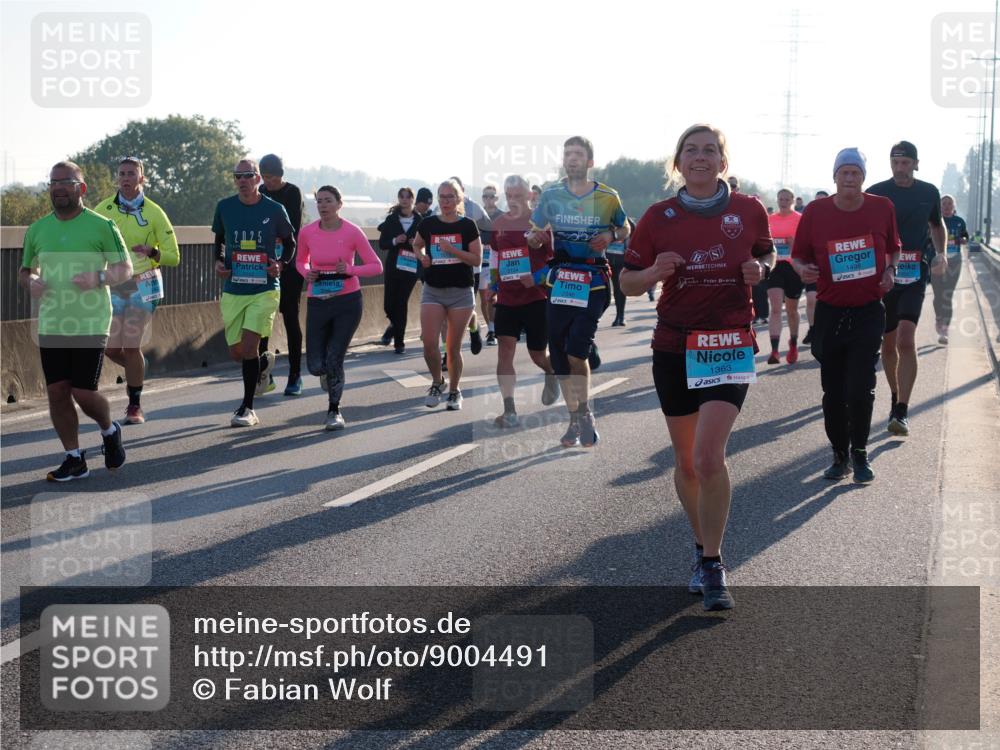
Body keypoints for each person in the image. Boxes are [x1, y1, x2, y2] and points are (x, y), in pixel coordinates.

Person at [620, 124, 774, 611]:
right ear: (679, 162)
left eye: (710, 150)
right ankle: (701, 545)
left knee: (709, 457)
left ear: (723, 161)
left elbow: (766, 252)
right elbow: (625, 282)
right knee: (686, 462)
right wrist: (651, 273)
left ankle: (712, 561)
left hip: (729, 342)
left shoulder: (749, 210)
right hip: (674, 346)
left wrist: (762, 269)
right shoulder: (657, 217)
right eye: (692, 150)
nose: (701, 157)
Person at [792, 148, 900, 484]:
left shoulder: (882, 207)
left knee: (861, 386)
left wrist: (892, 270)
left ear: (863, 177)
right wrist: (803, 270)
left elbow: (894, 248)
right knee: (833, 391)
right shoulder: (816, 212)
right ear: (835, 176)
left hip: (868, 310)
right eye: (844, 173)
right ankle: (839, 455)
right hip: (830, 312)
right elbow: (797, 257)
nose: (849, 178)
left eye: (855, 172)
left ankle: (860, 453)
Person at [20, 161, 132, 481]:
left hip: (91, 321)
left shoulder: (102, 225)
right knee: (57, 391)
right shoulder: (38, 229)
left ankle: (110, 431)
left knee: (83, 393)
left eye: (65, 182)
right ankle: (74, 457)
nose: (58, 188)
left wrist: (98, 277)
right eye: (53, 183)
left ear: (81, 188)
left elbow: (123, 270)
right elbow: (26, 270)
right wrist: (32, 281)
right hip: (52, 321)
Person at [529, 135, 628, 447]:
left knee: (576, 351)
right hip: (561, 280)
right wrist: (533, 239)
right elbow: (534, 230)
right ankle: (577, 418)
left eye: (578, 154)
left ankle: (584, 414)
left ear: (589, 162)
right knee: (559, 356)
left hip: (594, 280)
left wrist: (611, 234)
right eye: (567, 154)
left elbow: (627, 228)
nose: (571, 159)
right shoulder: (551, 195)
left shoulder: (608, 196)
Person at [865, 141, 947, 437]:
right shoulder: (875, 191)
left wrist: (940, 252)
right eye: (895, 163)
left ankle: (901, 409)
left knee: (905, 339)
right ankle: (896, 394)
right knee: (887, 346)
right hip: (884, 274)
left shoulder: (928, 192)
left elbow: (937, 225)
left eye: (905, 163)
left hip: (915, 271)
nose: (900, 168)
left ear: (915, 164)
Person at [212, 158, 295, 427]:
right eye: (238, 176)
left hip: (265, 289)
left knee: (249, 347)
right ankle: (263, 365)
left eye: (248, 175)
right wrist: (219, 262)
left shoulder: (275, 209)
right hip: (234, 288)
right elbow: (221, 241)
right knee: (237, 353)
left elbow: (291, 242)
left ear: (258, 179)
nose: (242, 181)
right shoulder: (224, 207)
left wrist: (280, 264)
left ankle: (247, 408)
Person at [96, 156, 180, 424]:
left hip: (144, 282)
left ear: (141, 178)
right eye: (121, 173)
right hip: (115, 283)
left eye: (131, 173)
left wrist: (153, 252)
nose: (126, 178)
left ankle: (134, 405)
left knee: (131, 345)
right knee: (110, 348)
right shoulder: (103, 209)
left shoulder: (155, 212)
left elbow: (173, 256)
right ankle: (138, 370)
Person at [297, 186, 383, 430]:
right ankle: (327, 372)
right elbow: (300, 261)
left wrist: (351, 269)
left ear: (338, 204)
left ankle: (334, 411)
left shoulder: (352, 232)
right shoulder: (307, 233)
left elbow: (376, 267)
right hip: (318, 301)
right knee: (315, 365)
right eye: (319, 202)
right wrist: (306, 272)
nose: (323, 206)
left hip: (347, 301)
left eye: (328, 201)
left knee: (335, 357)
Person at [488, 175, 559, 426]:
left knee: (537, 354)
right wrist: (492, 285)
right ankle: (509, 410)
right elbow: (496, 257)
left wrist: (538, 277)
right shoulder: (498, 224)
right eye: (509, 196)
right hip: (508, 298)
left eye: (518, 195)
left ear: (529, 196)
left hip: (535, 298)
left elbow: (556, 262)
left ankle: (551, 372)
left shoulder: (542, 223)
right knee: (504, 352)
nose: (513, 200)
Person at [413, 179, 483, 410]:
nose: (445, 201)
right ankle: (437, 382)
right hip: (433, 289)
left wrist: (452, 250)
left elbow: (476, 260)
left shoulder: (468, 225)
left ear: (458, 199)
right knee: (430, 344)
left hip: (461, 292)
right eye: (441, 197)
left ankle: (455, 390)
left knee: (452, 347)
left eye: (449, 197)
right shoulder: (429, 223)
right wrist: (422, 256)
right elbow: (417, 244)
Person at [257, 154, 305, 396]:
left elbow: (292, 228)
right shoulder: (259, 191)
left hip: (289, 263)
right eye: (265, 178)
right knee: (262, 319)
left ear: (281, 175)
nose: (270, 182)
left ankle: (295, 374)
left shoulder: (292, 193)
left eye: (274, 178)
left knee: (290, 317)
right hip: (263, 265)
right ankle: (264, 372)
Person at [377, 187, 422, 354]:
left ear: (413, 199)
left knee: (401, 303)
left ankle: (399, 342)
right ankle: (394, 326)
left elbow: (427, 244)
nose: (404, 200)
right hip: (393, 266)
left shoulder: (420, 221)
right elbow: (382, 243)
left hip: (411, 267)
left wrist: (415, 243)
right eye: (401, 197)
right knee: (389, 305)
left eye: (408, 197)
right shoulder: (391, 220)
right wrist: (396, 240)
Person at [764, 188, 803, 364]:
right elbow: (764, 242)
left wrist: (793, 244)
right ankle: (774, 351)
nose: (784, 202)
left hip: (793, 267)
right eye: (781, 199)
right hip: (775, 267)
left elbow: (805, 245)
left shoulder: (799, 219)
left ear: (793, 200)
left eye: (787, 199)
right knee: (775, 308)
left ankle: (793, 343)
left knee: (792, 310)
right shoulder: (770, 220)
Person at [931, 195, 969, 344]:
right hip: (937, 261)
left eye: (949, 204)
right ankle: (939, 317)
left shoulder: (959, 222)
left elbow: (965, 236)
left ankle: (944, 331)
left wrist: (964, 239)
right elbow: (928, 238)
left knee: (948, 294)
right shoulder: (935, 221)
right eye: (944, 204)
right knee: (938, 295)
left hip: (954, 261)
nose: (946, 206)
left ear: (954, 206)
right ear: (940, 206)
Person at [607, 218, 636, 326]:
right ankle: (617, 316)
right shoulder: (605, 220)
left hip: (622, 261)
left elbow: (635, 239)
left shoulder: (629, 223)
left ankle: (621, 316)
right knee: (614, 289)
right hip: (607, 260)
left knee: (620, 289)